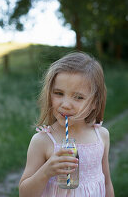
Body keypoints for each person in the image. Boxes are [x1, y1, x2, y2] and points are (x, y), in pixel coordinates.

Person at [19, 52, 114, 197]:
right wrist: (46, 172)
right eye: (58, 93)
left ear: (95, 102)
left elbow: (106, 182)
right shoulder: (42, 141)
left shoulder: (101, 136)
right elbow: (24, 194)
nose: (66, 104)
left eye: (78, 97)